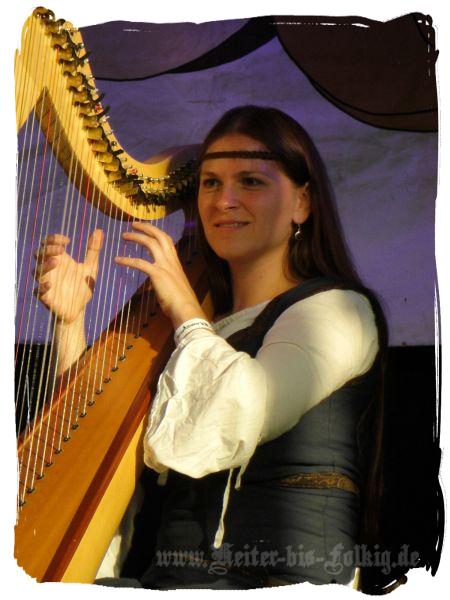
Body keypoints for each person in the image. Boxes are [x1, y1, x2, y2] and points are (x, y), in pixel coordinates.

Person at [34, 105, 388, 590]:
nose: (224, 201)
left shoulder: (336, 310)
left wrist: (184, 308)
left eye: (251, 182)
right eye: (210, 183)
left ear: (302, 202)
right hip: (178, 582)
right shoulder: (198, 333)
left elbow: (247, 407)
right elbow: (101, 453)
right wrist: (71, 322)